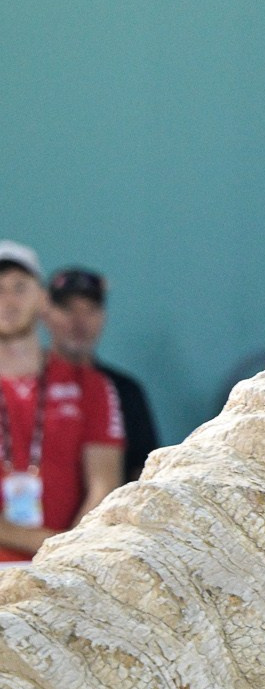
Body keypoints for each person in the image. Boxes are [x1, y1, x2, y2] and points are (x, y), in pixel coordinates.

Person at [0, 241, 124, 562]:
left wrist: (68, 559)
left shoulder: (92, 385)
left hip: (64, 575)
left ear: (42, 300)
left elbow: (104, 486)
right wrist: (50, 545)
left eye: (19, 287)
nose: (8, 301)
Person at [46, 266, 160, 480]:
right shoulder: (23, 386)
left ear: (103, 317)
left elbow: (145, 473)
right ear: (45, 313)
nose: (79, 323)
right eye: (68, 309)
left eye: (90, 310)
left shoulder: (124, 390)